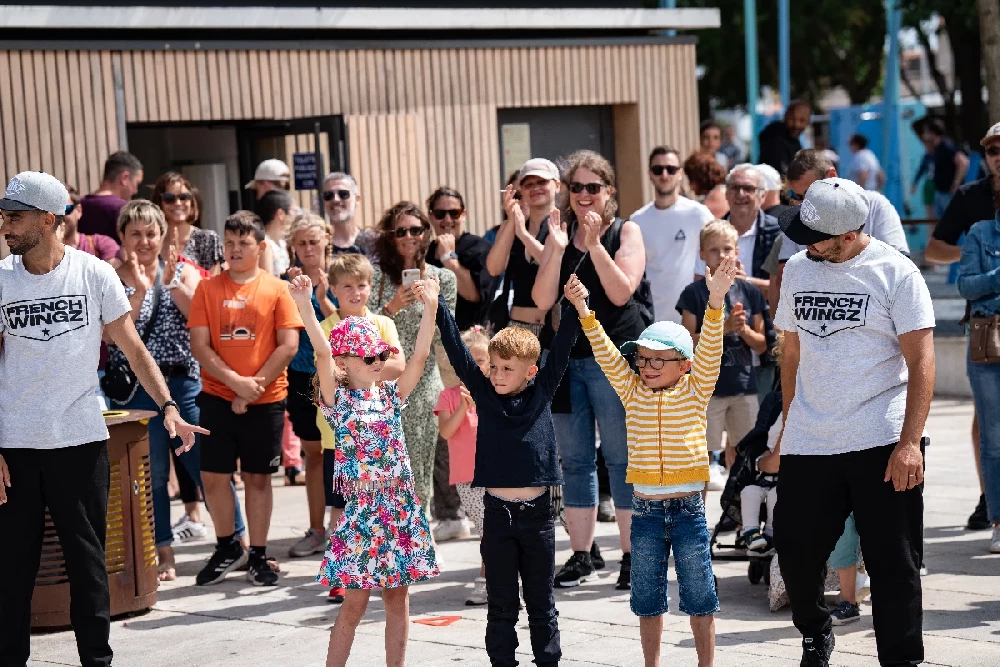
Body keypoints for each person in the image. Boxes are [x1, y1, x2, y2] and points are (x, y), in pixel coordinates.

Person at [0, 170, 204, 667]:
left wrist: (169, 407)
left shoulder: (93, 273)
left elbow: (132, 348)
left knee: (87, 563)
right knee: (12, 570)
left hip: (80, 441)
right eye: (4, 215)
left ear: (48, 220)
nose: (5, 224)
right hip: (15, 448)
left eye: (15, 215)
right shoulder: (1, 279)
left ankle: (97, 661)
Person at [771, 177, 935, 666]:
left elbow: (923, 362)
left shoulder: (896, 273)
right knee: (796, 551)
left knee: (894, 564)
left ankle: (902, 659)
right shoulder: (800, 269)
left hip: (880, 438)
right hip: (810, 437)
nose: (803, 246)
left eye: (815, 237)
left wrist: (909, 445)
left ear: (848, 235)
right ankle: (816, 630)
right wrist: (787, 421)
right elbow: (791, 349)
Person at [567, 253, 735, 667]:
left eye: (659, 359)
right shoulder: (631, 390)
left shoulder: (696, 391)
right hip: (643, 511)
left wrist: (715, 304)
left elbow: (710, 348)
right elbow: (607, 353)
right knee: (646, 599)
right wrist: (584, 311)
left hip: (689, 511)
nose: (648, 367)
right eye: (643, 358)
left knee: (700, 596)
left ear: (685, 365)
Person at [435, 269, 582, 667]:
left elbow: (565, 344)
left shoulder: (543, 388)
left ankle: (547, 661)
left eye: (507, 368)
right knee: (501, 603)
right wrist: (438, 308)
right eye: (494, 366)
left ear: (530, 371)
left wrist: (572, 305)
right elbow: (456, 349)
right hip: (496, 514)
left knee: (541, 602)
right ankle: (503, 662)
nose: (497, 374)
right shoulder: (481, 389)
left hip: (537, 518)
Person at [296, 274, 440, 667]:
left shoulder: (392, 397)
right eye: (369, 357)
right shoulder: (338, 400)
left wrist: (431, 306)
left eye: (380, 356)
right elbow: (322, 354)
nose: (378, 362)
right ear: (344, 364)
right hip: (361, 510)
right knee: (354, 604)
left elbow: (420, 357)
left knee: (398, 598)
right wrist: (306, 306)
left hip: (399, 508)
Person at [108, 199, 247, 582]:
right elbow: (115, 337)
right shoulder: (110, 275)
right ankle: (163, 552)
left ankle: (239, 542)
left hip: (184, 382)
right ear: (121, 236)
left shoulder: (181, 270)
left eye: (151, 232)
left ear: (163, 235)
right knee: (150, 475)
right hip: (136, 389)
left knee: (206, 464)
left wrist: (171, 282)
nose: (144, 241)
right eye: (134, 233)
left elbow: (202, 320)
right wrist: (136, 291)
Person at [532, 150, 648, 589]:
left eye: (592, 187)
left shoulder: (626, 230)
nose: (584, 195)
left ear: (608, 192)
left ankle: (633, 556)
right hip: (565, 360)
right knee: (575, 461)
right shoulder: (556, 231)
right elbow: (544, 301)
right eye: (576, 187)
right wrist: (556, 250)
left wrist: (596, 245)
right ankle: (582, 554)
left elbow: (622, 293)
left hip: (613, 357)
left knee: (620, 459)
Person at [188, 210, 303, 587]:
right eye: (230, 242)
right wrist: (236, 383)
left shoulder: (277, 288)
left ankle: (257, 553)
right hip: (217, 396)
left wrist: (252, 386)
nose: (235, 250)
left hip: (266, 398)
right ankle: (226, 547)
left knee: (257, 478)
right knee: (214, 476)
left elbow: (288, 345)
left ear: (260, 246)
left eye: (243, 243)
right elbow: (200, 345)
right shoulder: (207, 288)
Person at [315, 253, 406, 603]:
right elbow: (331, 373)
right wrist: (373, 364)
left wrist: (361, 366)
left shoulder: (383, 322)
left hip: (381, 435)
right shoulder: (325, 328)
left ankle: (381, 564)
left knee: (382, 504)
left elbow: (398, 363)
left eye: (363, 285)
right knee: (342, 506)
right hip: (339, 437)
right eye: (348, 286)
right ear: (334, 290)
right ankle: (342, 571)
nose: (356, 292)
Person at [925, 121, 1000, 531]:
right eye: (993, 151)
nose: (999, 157)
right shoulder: (971, 197)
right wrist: (975, 255)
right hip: (987, 321)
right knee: (987, 414)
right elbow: (934, 250)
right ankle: (990, 496)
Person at [368, 201, 457, 508]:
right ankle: (393, 536)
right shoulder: (376, 278)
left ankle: (422, 537)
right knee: (384, 463)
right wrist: (391, 308)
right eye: (400, 231)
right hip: (380, 382)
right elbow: (362, 329)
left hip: (423, 383)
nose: (409, 237)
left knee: (420, 460)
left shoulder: (442, 279)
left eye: (416, 230)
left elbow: (448, 334)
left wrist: (431, 304)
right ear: (390, 236)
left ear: (426, 232)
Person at [766, 149, 911, 311]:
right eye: (795, 195)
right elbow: (783, 281)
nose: (803, 204)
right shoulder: (796, 219)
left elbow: (899, 269)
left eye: (808, 193)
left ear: (831, 176)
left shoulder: (874, 204)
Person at [679, 221, 768, 476]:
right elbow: (686, 343)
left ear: (737, 252)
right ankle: (698, 515)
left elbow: (763, 345)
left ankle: (736, 513)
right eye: (714, 250)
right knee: (701, 456)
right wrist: (725, 327)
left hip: (744, 387)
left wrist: (744, 331)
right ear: (702, 255)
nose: (721, 255)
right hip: (706, 390)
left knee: (745, 454)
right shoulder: (693, 293)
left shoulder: (750, 292)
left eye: (727, 248)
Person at [283, 214, 338, 559]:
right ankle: (317, 529)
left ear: (326, 241)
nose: (307, 249)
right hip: (302, 377)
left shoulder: (343, 277)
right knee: (314, 454)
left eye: (313, 242)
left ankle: (345, 527)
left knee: (345, 454)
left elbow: (349, 321)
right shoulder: (284, 282)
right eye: (301, 243)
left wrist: (323, 296)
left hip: (340, 376)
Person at [433, 325, 490, 606]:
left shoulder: (497, 391)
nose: (474, 366)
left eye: (480, 360)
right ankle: (491, 580)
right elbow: (445, 432)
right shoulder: (449, 396)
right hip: (468, 478)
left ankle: (490, 580)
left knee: (495, 530)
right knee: (487, 529)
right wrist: (462, 407)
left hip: (499, 473)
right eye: (468, 359)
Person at [957, 207, 1000, 553]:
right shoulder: (981, 233)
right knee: (994, 438)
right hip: (991, 342)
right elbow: (966, 285)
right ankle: (998, 522)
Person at [631, 146, 715, 325]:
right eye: (657, 169)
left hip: (692, 320)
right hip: (652, 320)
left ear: (680, 173)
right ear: (649, 174)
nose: (664, 174)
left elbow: (714, 258)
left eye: (670, 169)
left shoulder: (699, 214)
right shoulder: (638, 219)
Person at [486, 158, 560, 334]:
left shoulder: (564, 225)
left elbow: (552, 263)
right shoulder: (512, 226)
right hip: (517, 327)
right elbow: (494, 268)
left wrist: (524, 235)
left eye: (542, 182)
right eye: (527, 185)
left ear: (557, 186)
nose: (535, 188)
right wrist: (513, 222)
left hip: (553, 329)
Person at [694, 165, 780, 293]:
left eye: (748, 188)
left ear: (762, 196)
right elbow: (698, 285)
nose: (741, 194)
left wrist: (747, 283)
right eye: (735, 188)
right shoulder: (710, 233)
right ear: (727, 194)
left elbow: (787, 288)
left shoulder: (779, 233)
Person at [426, 187, 495, 330]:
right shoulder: (425, 252)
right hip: (432, 336)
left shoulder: (480, 247)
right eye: (440, 214)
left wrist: (449, 260)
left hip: (468, 338)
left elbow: (474, 295)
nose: (447, 219)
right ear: (431, 217)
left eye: (454, 213)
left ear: (463, 214)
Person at [151, 172, 224, 275]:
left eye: (183, 197)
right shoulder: (152, 241)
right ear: (159, 203)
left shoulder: (207, 239)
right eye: (169, 198)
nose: (178, 203)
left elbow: (213, 284)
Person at [79, 150, 144, 243]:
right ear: (124, 178)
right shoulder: (124, 209)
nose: (136, 190)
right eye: (137, 183)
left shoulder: (78, 206)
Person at [912, 118, 970, 217]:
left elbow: (963, 162)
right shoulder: (936, 148)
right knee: (939, 225)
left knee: (952, 223)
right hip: (939, 192)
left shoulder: (946, 146)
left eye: (927, 132)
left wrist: (956, 184)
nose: (925, 135)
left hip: (948, 194)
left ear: (933, 133)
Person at [322, 172, 378, 256]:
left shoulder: (374, 244)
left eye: (343, 194)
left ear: (357, 199)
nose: (335, 200)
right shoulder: (316, 245)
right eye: (328, 195)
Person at [61, 187, 120, 263]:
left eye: (64, 210)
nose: (57, 216)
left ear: (79, 211)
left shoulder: (101, 245)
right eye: (50, 211)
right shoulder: (42, 254)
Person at [758, 100, 811, 177]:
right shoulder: (774, 138)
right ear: (785, 117)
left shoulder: (794, 142)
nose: (796, 124)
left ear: (808, 122)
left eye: (802, 120)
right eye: (792, 119)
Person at [256, 189, 295, 276]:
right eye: (293, 211)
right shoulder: (264, 245)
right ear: (280, 214)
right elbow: (268, 281)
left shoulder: (283, 243)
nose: (295, 216)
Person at [683, 151, 729, 219]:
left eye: (691, 180)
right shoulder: (722, 191)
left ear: (700, 178)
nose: (690, 186)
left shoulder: (717, 195)